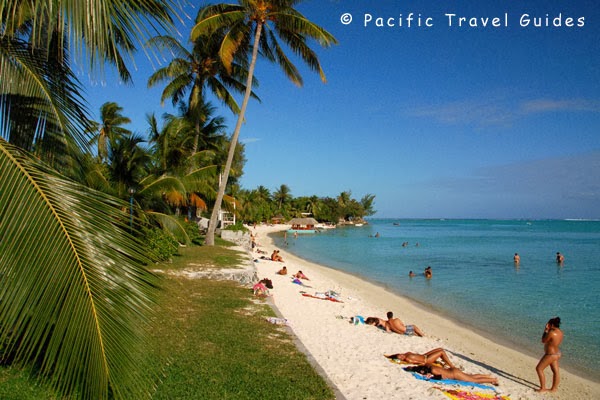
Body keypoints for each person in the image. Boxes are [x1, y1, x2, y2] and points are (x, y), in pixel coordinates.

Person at [536, 316, 563, 393]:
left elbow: (543, 340)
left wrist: (546, 330)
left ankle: (543, 388)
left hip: (550, 354)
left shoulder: (552, 333)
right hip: (557, 353)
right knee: (555, 371)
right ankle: (554, 389)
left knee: (539, 369)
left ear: (551, 325)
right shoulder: (560, 332)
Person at [406, 365, 498, 385]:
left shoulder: (433, 371)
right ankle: (487, 376)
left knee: (474, 380)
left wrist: (431, 377)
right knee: (471, 376)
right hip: (453, 370)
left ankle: (492, 380)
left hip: (454, 374)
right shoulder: (430, 367)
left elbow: (441, 377)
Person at [385, 348, 456, 368]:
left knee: (440, 349)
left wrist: (389, 356)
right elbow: (419, 363)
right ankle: (452, 366)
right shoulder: (407, 359)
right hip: (426, 359)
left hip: (424, 355)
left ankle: (446, 363)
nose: (401, 356)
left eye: (399, 355)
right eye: (400, 358)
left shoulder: (406, 354)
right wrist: (427, 363)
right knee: (442, 352)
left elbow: (391, 356)